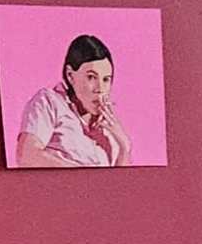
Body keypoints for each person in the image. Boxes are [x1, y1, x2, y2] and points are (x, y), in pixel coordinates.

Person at [12, 33, 127, 167]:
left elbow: (121, 182)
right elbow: (27, 155)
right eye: (91, 77)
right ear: (70, 75)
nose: (100, 88)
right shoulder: (50, 101)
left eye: (106, 79)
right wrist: (85, 176)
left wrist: (124, 146)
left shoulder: (109, 129)